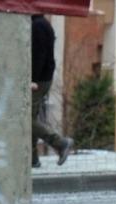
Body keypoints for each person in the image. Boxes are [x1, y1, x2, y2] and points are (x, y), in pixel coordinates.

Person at [31, 14, 74, 168]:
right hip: (42, 79)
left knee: (26, 119)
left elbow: (39, 55)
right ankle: (32, 159)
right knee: (31, 117)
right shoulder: (40, 23)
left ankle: (60, 143)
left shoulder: (38, 25)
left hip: (38, 81)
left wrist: (32, 79)